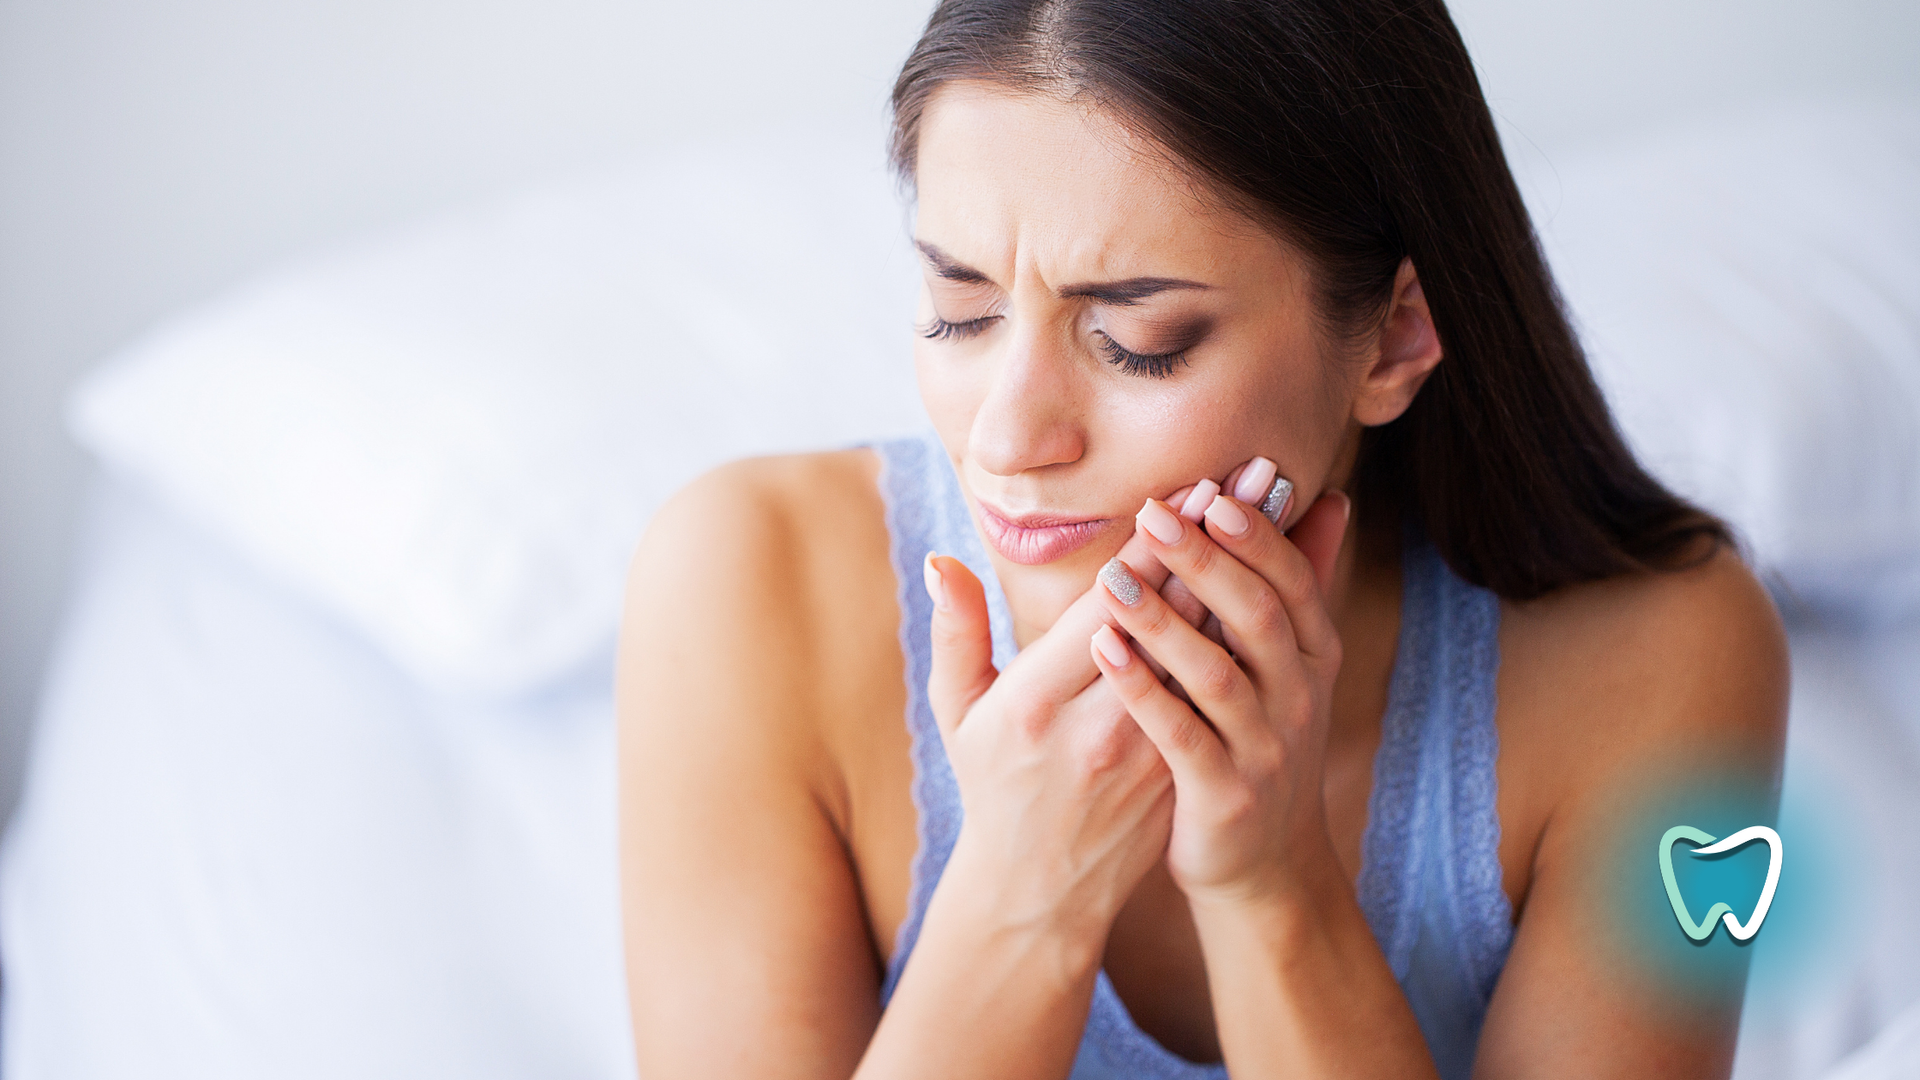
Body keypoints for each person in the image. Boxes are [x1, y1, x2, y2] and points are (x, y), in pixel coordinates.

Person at [615, 0, 1789, 1076]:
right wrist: (1024, 890)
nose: (1010, 438)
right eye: (960, 312)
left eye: (1142, 340)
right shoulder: (743, 582)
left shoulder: (1660, 656)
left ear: (1393, 336)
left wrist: (1274, 891)